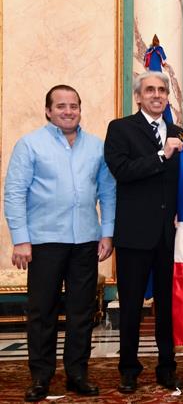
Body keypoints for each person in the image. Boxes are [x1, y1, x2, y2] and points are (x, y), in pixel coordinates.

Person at [4, 85, 115, 402]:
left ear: (81, 109)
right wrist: (21, 240)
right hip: (43, 242)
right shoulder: (29, 145)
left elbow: (107, 193)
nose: (68, 111)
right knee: (42, 312)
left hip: (85, 241)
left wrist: (107, 233)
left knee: (82, 312)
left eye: (74, 106)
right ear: (48, 111)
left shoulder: (96, 147)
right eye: (61, 106)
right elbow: (15, 194)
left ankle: (77, 374)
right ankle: (41, 377)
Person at [104, 71, 183, 394]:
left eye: (162, 90)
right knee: (132, 306)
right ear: (138, 96)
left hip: (170, 237)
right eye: (150, 90)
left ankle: (167, 367)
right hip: (134, 235)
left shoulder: (179, 132)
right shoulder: (120, 128)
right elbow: (121, 171)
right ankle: (129, 369)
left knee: (167, 308)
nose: (157, 95)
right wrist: (160, 155)